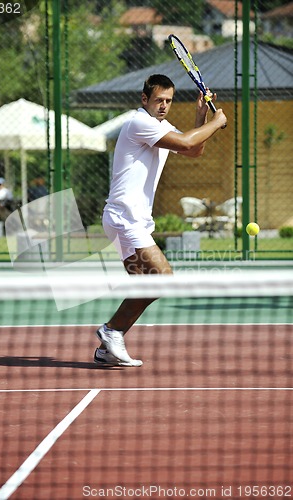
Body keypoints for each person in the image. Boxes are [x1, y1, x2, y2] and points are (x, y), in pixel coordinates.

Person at [94, 74, 227, 367]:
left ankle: (108, 345)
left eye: (168, 100)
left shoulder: (161, 127)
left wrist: (200, 116)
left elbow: (194, 149)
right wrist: (215, 123)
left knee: (145, 286)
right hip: (123, 218)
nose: (164, 105)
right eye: (159, 100)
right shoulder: (138, 122)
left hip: (130, 220)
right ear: (145, 100)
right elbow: (185, 141)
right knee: (162, 277)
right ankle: (111, 330)